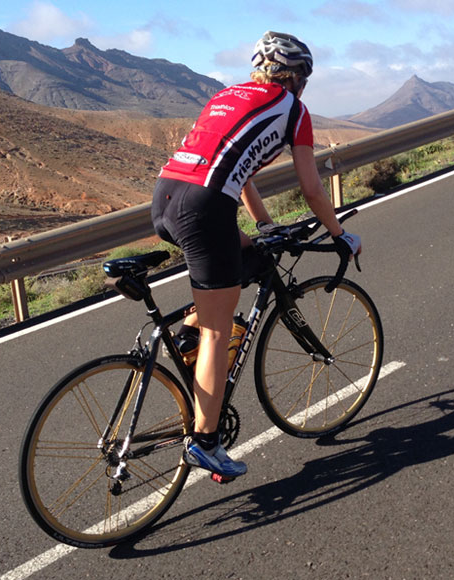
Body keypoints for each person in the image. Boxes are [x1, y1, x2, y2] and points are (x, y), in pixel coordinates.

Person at [151, 31, 362, 478]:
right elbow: (310, 188)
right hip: (204, 209)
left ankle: (188, 339)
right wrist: (340, 233)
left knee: (245, 260)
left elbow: (239, 169)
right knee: (217, 329)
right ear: (299, 78)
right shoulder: (294, 112)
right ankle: (206, 443)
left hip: (166, 198)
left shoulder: (228, 96)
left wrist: (264, 226)